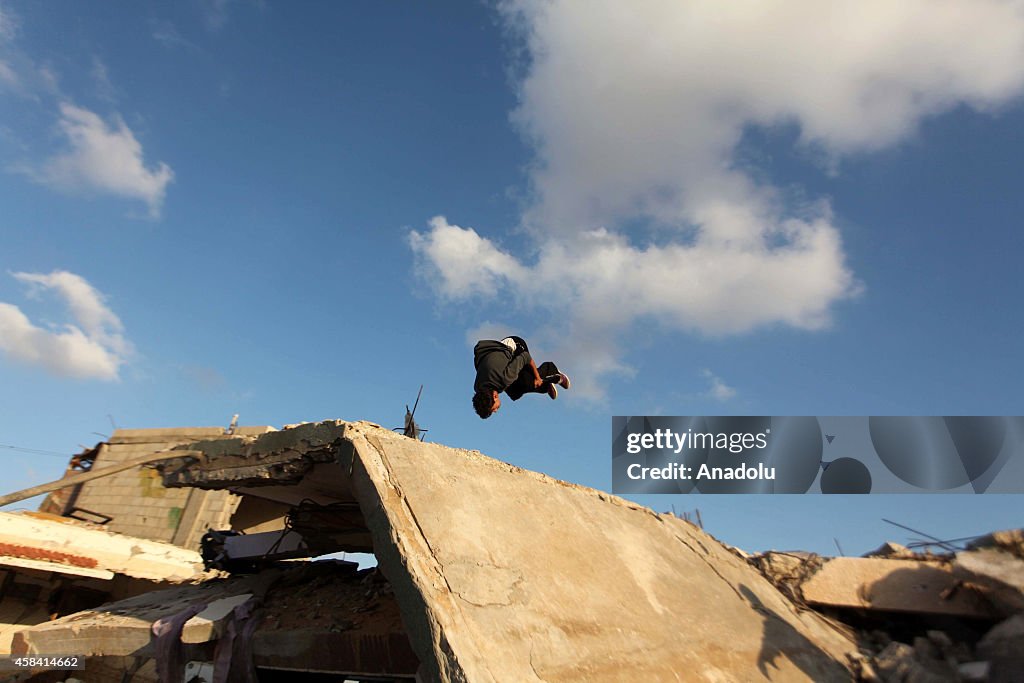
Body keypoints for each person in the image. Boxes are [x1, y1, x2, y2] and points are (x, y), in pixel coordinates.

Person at [472, 335, 570, 419]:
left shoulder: (504, 379)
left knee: (528, 383)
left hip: (517, 346)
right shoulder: (478, 387)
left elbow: (525, 357)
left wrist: (537, 377)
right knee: (514, 393)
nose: (496, 411)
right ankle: (546, 386)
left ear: (494, 396)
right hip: (497, 352)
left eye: (494, 409)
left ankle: (554, 372)